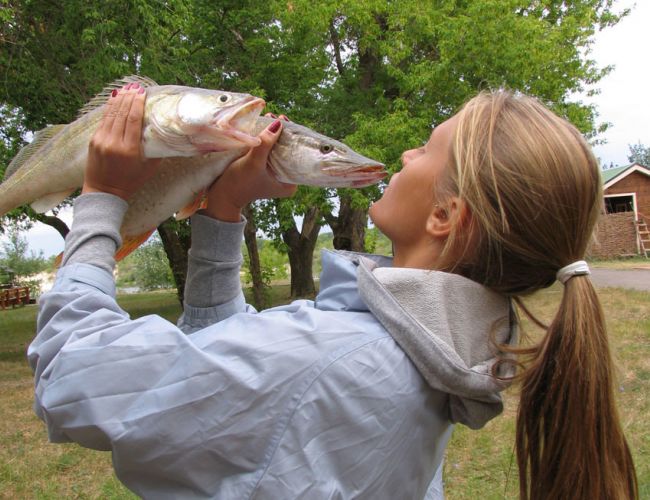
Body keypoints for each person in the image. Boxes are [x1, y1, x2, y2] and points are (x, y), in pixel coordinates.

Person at [28, 83, 637, 499]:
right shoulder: (426, 354)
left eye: (425, 148)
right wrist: (225, 209)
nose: (403, 151)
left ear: (446, 217)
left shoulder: (329, 356)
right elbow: (230, 383)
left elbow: (71, 374)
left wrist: (101, 201)